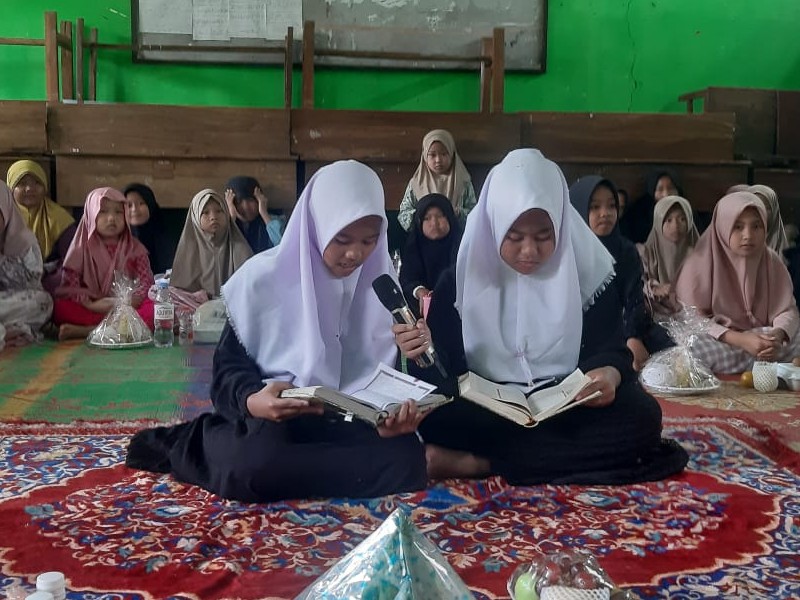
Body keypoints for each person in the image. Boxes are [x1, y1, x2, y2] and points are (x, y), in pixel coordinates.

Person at [126, 160, 428, 502]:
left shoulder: (381, 285)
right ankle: (197, 440)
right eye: (342, 239)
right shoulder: (260, 281)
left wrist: (397, 410)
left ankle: (302, 470)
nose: (355, 253)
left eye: (370, 241)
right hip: (275, 423)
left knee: (407, 458)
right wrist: (253, 399)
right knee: (253, 466)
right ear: (316, 226)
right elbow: (227, 374)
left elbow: (396, 381)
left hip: (348, 423)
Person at [395, 149, 688, 485]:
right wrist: (422, 352)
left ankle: (481, 463)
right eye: (514, 237)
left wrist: (607, 374)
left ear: (561, 226)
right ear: (494, 226)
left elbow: (611, 348)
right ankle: (540, 458)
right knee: (436, 419)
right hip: (489, 411)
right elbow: (441, 375)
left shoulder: (585, 274)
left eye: (544, 236)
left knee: (643, 417)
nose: (529, 251)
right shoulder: (460, 281)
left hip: (565, 407)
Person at [675, 191, 800, 374]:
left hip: (763, 336)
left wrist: (778, 336)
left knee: (794, 333)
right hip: (721, 340)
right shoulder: (699, 263)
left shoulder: (771, 261)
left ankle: (760, 359)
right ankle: (768, 364)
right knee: (691, 348)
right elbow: (692, 319)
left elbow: (787, 310)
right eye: (738, 227)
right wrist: (741, 340)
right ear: (722, 227)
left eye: (756, 226)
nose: (748, 235)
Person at [570, 176, 672, 371]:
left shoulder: (625, 250)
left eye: (611, 206)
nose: (605, 214)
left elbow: (634, 299)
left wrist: (633, 336)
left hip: (622, 327)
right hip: (583, 334)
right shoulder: (570, 255)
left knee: (671, 349)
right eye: (595, 207)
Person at [53, 187, 155, 341]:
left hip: (128, 307)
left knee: (155, 309)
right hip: (94, 307)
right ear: (91, 213)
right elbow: (71, 286)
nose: (111, 218)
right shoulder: (80, 248)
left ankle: (87, 331)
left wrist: (128, 302)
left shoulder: (135, 248)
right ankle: (122, 330)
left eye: (118, 212)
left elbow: (146, 282)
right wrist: (91, 305)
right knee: (61, 308)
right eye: (103, 212)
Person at [6, 160, 77, 294]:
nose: (29, 188)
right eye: (22, 183)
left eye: (37, 183)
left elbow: (72, 260)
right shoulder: (4, 217)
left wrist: (46, 282)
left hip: (47, 282)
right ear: (11, 188)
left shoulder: (59, 218)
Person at [170, 189, 252, 300]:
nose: (213, 217)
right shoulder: (187, 251)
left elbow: (251, 287)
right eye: (205, 212)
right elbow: (179, 293)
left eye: (219, 211)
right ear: (195, 217)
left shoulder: (240, 247)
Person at [0, 181, 52, 347]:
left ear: (6, 211)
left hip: (9, 304)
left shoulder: (25, 243)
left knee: (43, 302)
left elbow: (31, 285)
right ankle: (9, 332)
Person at [397, 129, 477, 231]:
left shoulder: (463, 182)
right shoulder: (416, 183)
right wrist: (423, 215)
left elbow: (475, 214)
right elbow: (403, 214)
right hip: (423, 238)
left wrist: (458, 213)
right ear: (425, 156)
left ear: (452, 154)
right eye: (432, 155)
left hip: (456, 237)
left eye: (444, 154)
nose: (438, 160)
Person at [399, 193, 462, 317]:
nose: (434, 223)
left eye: (440, 216)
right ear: (419, 222)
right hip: (423, 316)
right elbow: (407, 279)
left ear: (450, 218)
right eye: (427, 218)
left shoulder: (462, 245)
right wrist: (420, 291)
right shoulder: (414, 246)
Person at [638, 196, 699, 318]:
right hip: (655, 316)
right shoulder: (644, 253)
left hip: (695, 316)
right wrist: (655, 288)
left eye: (682, 219)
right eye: (668, 220)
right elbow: (636, 286)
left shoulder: (700, 254)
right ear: (658, 223)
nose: (675, 225)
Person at [123, 183, 177, 276]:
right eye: (129, 205)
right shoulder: (118, 240)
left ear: (150, 205)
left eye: (141, 203)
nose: (134, 209)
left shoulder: (166, 237)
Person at [224, 176, 286, 254]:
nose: (246, 207)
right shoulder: (225, 223)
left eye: (250, 200)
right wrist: (232, 218)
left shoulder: (274, 220)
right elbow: (221, 248)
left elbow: (283, 247)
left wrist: (264, 214)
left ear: (259, 200)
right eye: (239, 202)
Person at [620, 169, 682, 244]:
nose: (666, 194)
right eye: (660, 189)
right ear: (652, 192)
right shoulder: (638, 216)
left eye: (670, 188)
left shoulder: (686, 211)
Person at [748, 184, 788, 256]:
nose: (759, 212)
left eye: (765, 207)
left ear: (774, 211)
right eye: (753, 207)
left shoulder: (789, 256)